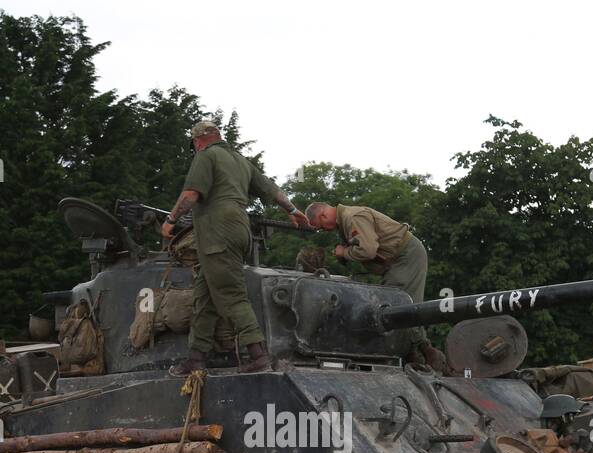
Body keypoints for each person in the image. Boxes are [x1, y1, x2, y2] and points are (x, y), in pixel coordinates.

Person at [161, 121, 310, 376]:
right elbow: (270, 188)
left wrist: (171, 220)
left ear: (198, 141)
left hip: (217, 231)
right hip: (239, 229)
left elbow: (191, 194)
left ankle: (259, 356)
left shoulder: (206, 155)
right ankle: (196, 359)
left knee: (232, 295)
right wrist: (293, 210)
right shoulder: (240, 161)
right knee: (204, 297)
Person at [305, 201, 448, 373]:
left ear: (323, 215)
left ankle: (426, 352)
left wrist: (344, 252)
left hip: (406, 256)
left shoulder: (352, 217)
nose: (324, 230)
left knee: (397, 306)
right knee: (396, 308)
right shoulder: (346, 222)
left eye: (321, 226)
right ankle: (417, 353)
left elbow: (369, 250)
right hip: (398, 260)